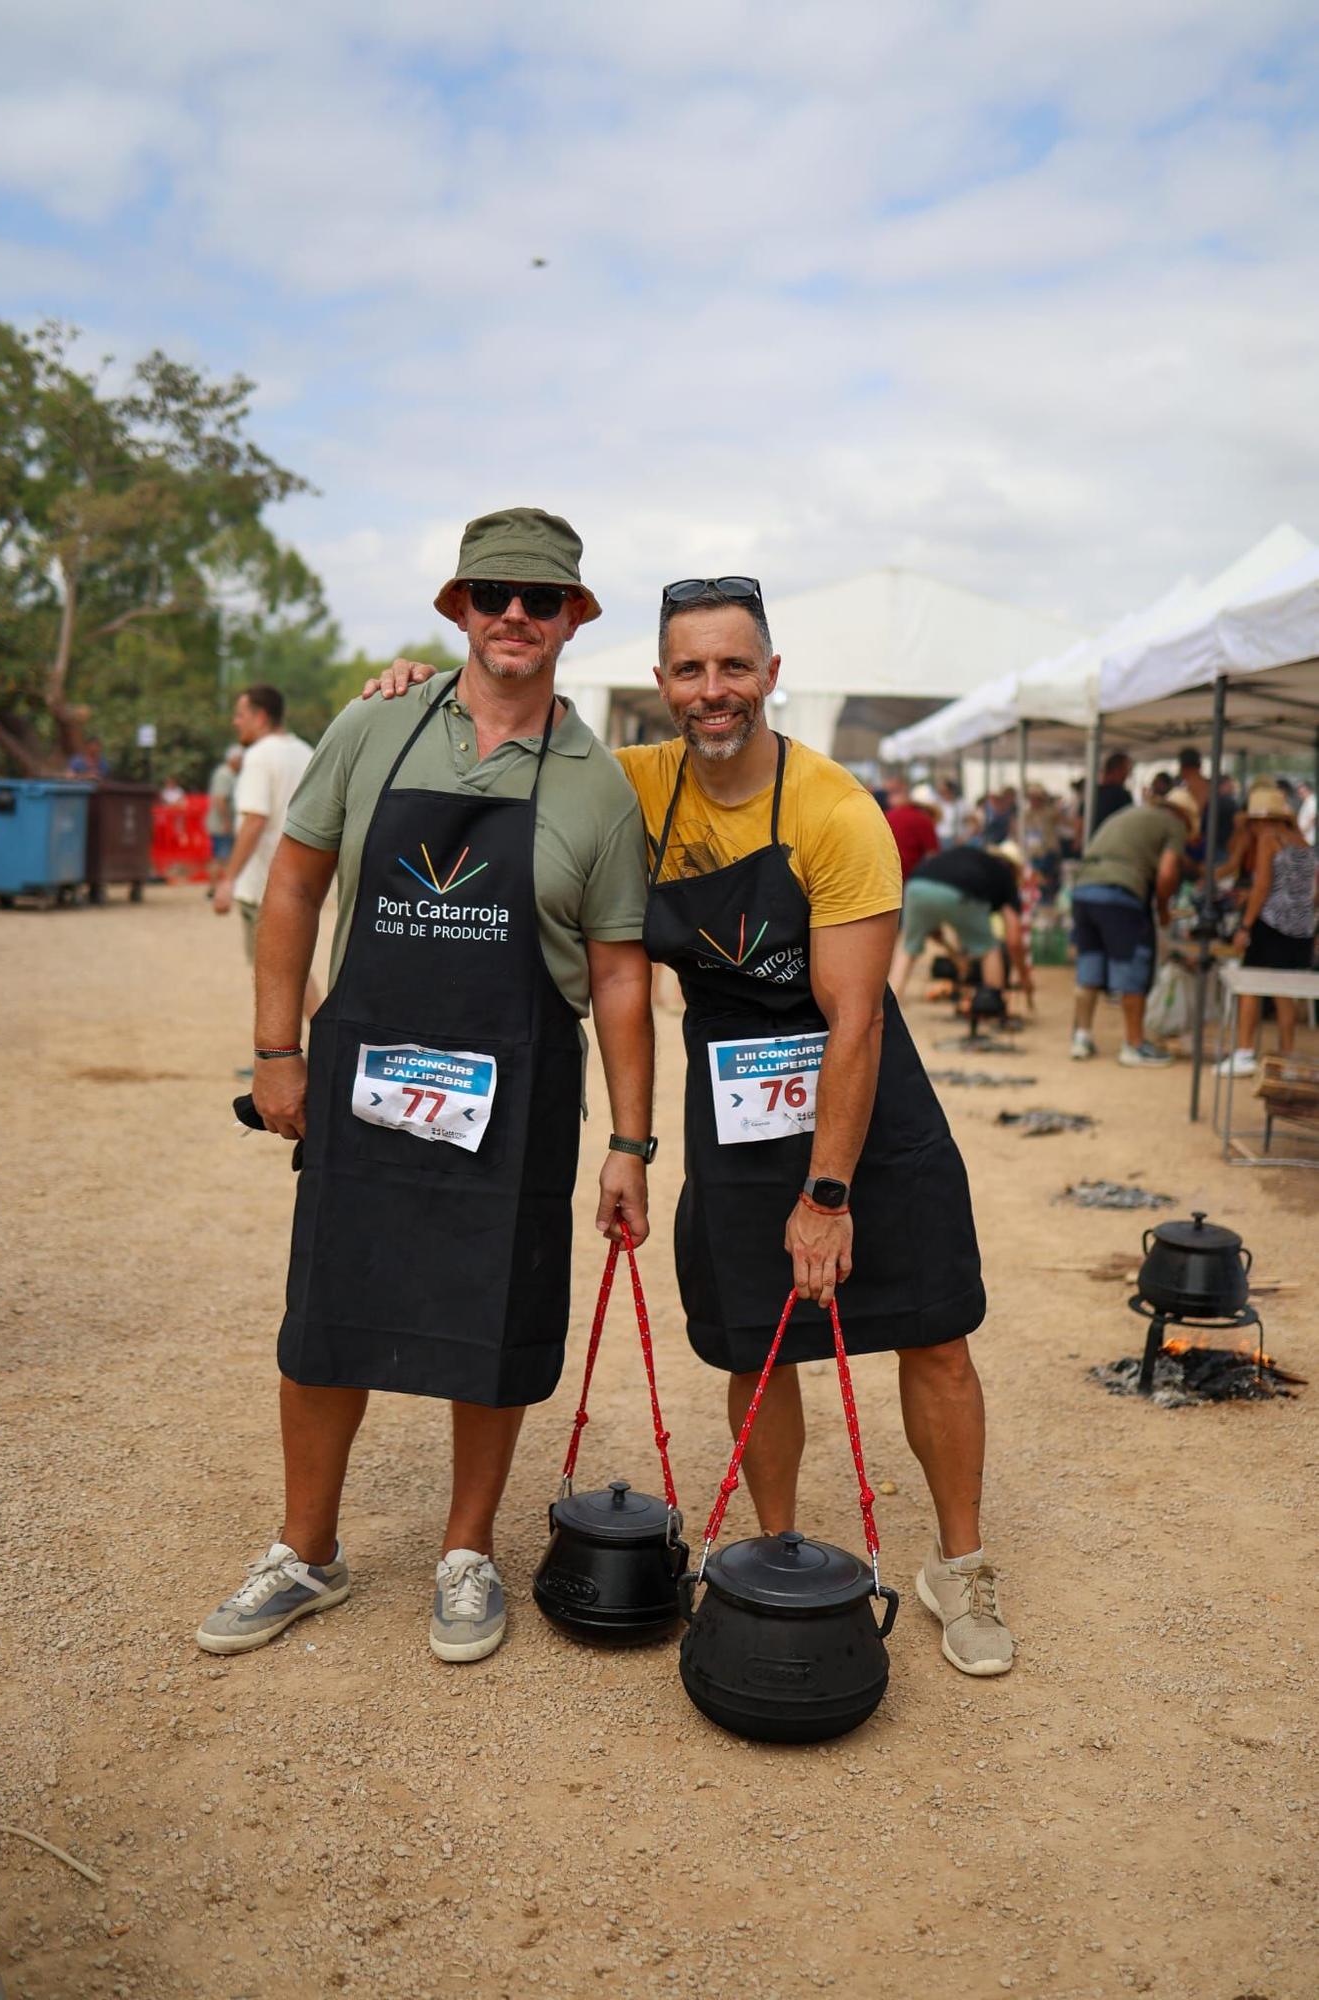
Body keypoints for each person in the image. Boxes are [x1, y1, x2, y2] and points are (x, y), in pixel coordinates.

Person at [375, 577, 1014, 1678]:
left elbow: (852, 1020)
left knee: (933, 1331)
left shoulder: (834, 811)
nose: (711, 691)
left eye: (732, 667)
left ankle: (960, 1562)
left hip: (860, 1095)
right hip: (732, 1103)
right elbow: (500, 728)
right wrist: (412, 696)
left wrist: (828, 1193)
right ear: (662, 681)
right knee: (759, 1348)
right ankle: (775, 1546)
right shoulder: (628, 786)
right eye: (689, 669)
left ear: (770, 675)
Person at [196, 509, 655, 1667]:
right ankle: (308, 1550)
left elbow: (616, 973)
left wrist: (633, 1142)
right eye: (492, 590)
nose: (514, 613)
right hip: (362, 1079)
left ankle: (467, 1552)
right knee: (326, 1319)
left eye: (540, 598)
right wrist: (274, 1050)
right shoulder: (376, 724)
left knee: (492, 1322)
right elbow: (293, 885)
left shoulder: (598, 782)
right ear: (457, 604)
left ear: (573, 618)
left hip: (519, 1090)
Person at [213, 685, 321, 1022]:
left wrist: (228, 879)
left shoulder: (259, 756)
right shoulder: (305, 752)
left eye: (240, 714)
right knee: (295, 972)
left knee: (273, 979)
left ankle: (275, 1059)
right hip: (300, 885)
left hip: (263, 886)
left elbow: (254, 820)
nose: (235, 722)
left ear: (260, 717)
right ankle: (323, 1043)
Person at [1068, 787, 1199, 1066]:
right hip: (1121, 892)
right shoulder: (1173, 824)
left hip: (1084, 889)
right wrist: (1163, 910)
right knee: (1132, 967)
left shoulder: (1130, 814)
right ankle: (1134, 1044)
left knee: (1089, 965)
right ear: (1185, 817)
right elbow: (1166, 873)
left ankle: (1081, 1037)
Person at [1216, 785, 1316, 1078]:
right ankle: (1287, 1054)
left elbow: (1262, 887)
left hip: (1270, 925)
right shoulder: (1303, 843)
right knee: (1287, 992)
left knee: (1251, 986)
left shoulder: (1268, 839)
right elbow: (1312, 892)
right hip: (1301, 927)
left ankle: (1245, 1052)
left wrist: (1245, 925)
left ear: (1260, 820)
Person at [889, 840, 1030, 1006]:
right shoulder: (1006, 876)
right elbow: (1014, 940)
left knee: (908, 948)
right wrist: (1025, 979)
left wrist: (954, 954)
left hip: (916, 886)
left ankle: (889, 1006)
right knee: (989, 950)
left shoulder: (970, 856)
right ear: (1015, 868)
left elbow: (939, 917)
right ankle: (991, 1003)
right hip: (962, 894)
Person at [882, 777, 940, 882]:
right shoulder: (923, 819)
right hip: (913, 879)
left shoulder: (885, 817)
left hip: (889, 879)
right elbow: (933, 855)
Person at [206, 744, 243, 890]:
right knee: (221, 857)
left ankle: (217, 887)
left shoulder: (231, 775)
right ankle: (214, 888)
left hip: (226, 824)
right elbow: (220, 799)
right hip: (222, 825)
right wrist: (226, 821)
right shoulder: (224, 774)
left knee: (224, 857)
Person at [1092, 751, 1133, 831]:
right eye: (1126, 769)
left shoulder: (1092, 793)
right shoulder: (1122, 795)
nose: (1128, 774)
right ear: (1117, 770)